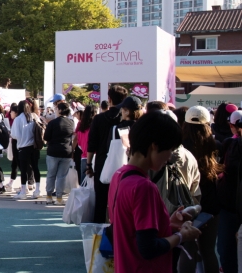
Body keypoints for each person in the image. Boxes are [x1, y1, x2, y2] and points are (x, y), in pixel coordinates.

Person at [109, 111, 201, 273]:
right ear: (155, 146)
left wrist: (169, 225)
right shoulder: (144, 187)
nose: (170, 156)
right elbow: (149, 248)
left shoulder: (119, 175)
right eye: (170, 149)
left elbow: (133, 231)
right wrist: (182, 236)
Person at [180, 106, 223, 273]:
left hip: (188, 203)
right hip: (211, 204)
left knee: (188, 250)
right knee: (208, 251)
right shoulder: (216, 145)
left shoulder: (180, 148)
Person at [86, 85, 128, 223]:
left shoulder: (98, 119)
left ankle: (98, 236)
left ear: (109, 99)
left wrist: (88, 165)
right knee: (122, 200)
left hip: (102, 162)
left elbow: (91, 144)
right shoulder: (125, 120)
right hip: (123, 162)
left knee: (101, 200)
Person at [217, 110, 242, 273]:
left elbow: (221, 171)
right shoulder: (228, 144)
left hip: (228, 204)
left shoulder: (227, 144)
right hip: (230, 204)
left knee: (226, 248)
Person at [43, 102, 74, 205]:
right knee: (62, 176)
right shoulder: (71, 123)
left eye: (56, 109)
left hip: (53, 151)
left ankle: (49, 196)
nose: (55, 111)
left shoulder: (52, 123)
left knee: (51, 174)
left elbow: (46, 137)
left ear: (60, 110)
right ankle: (59, 198)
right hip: (66, 152)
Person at [10, 100, 38, 199]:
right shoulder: (33, 116)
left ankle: (23, 191)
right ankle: (37, 189)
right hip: (33, 146)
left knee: (23, 169)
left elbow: (14, 135)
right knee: (34, 167)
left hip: (22, 147)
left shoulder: (18, 119)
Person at [74, 105, 95, 184]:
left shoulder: (80, 126)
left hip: (84, 155)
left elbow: (78, 141)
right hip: (94, 156)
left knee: (83, 182)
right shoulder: (94, 125)